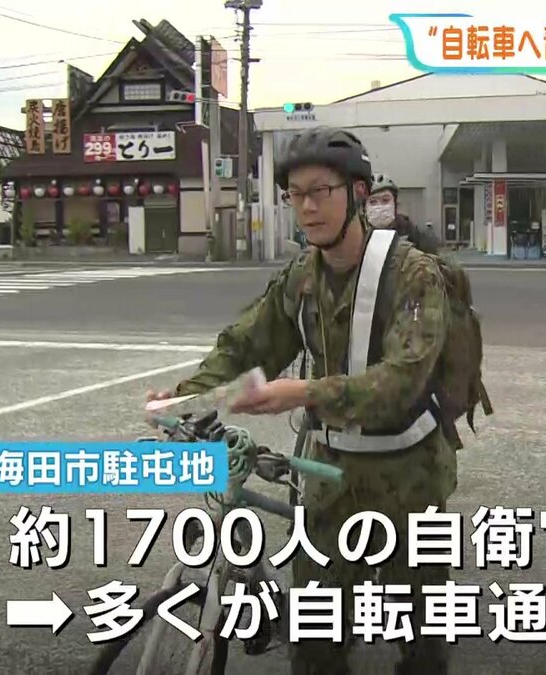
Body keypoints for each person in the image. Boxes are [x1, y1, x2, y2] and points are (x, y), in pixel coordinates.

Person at [147, 127, 456, 675]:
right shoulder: (302, 276)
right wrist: (188, 395)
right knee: (315, 640)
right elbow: (249, 344)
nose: (307, 207)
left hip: (411, 479)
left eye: (320, 191)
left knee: (420, 635)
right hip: (329, 476)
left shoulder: (413, 273)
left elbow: (404, 379)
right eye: (295, 194)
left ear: (357, 193)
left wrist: (305, 392)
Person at [365, 172, 443, 254]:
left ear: (395, 204)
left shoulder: (413, 233)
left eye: (385, 200)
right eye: (373, 202)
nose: (379, 207)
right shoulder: (359, 236)